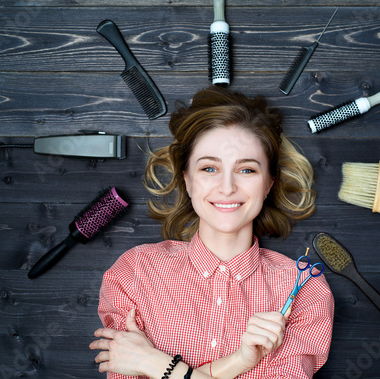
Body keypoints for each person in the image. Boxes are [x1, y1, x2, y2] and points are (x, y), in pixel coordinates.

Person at [89, 86, 334, 378]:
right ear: (187, 180)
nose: (227, 187)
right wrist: (241, 362)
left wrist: (155, 364)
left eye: (246, 170)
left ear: (269, 184)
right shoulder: (134, 273)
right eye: (209, 169)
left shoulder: (305, 290)